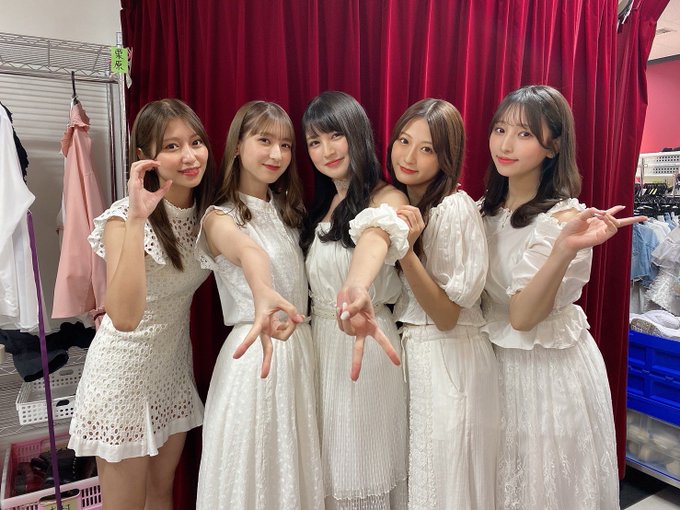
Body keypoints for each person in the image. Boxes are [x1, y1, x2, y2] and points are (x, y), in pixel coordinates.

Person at [480, 84, 645, 510]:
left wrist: (563, 250)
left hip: (546, 373)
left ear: (553, 146)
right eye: (500, 129)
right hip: (490, 368)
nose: (505, 145)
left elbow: (523, 317)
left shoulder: (567, 220)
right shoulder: (481, 210)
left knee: (544, 489)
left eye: (524, 134)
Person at [68, 98, 215, 509]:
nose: (189, 156)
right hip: (122, 378)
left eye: (196, 142)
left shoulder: (206, 212)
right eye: (171, 146)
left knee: (160, 494)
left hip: (171, 370)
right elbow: (124, 317)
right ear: (144, 157)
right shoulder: (123, 219)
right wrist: (137, 218)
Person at [195, 101, 324, 509]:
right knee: (255, 478)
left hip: (300, 353)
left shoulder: (289, 213)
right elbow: (249, 252)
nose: (276, 154)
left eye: (285, 145)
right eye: (264, 140)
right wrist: (263, 292)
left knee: (295, 473)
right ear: (237, 145)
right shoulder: (218, 217)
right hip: (256, 358)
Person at [386, 98, 499, 509]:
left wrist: (406, 251)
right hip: (420, 356)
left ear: (446, 156)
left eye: (427, 149)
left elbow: (448, 315)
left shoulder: (453, 208)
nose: (409, 157)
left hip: (450, 359)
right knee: (426, 480)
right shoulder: (403, 202)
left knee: (447, 484)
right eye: (403, 141)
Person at [300, 90, 409, 509]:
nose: (326, 151)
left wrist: (357, 287)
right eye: (314, 142)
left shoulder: (388, 198)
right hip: (321, 347)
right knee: (328, 471)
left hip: (364, 344)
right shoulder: (325, 202)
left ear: (357, 134)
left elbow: (376, 237)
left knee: (360, 469)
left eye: (335, 136)